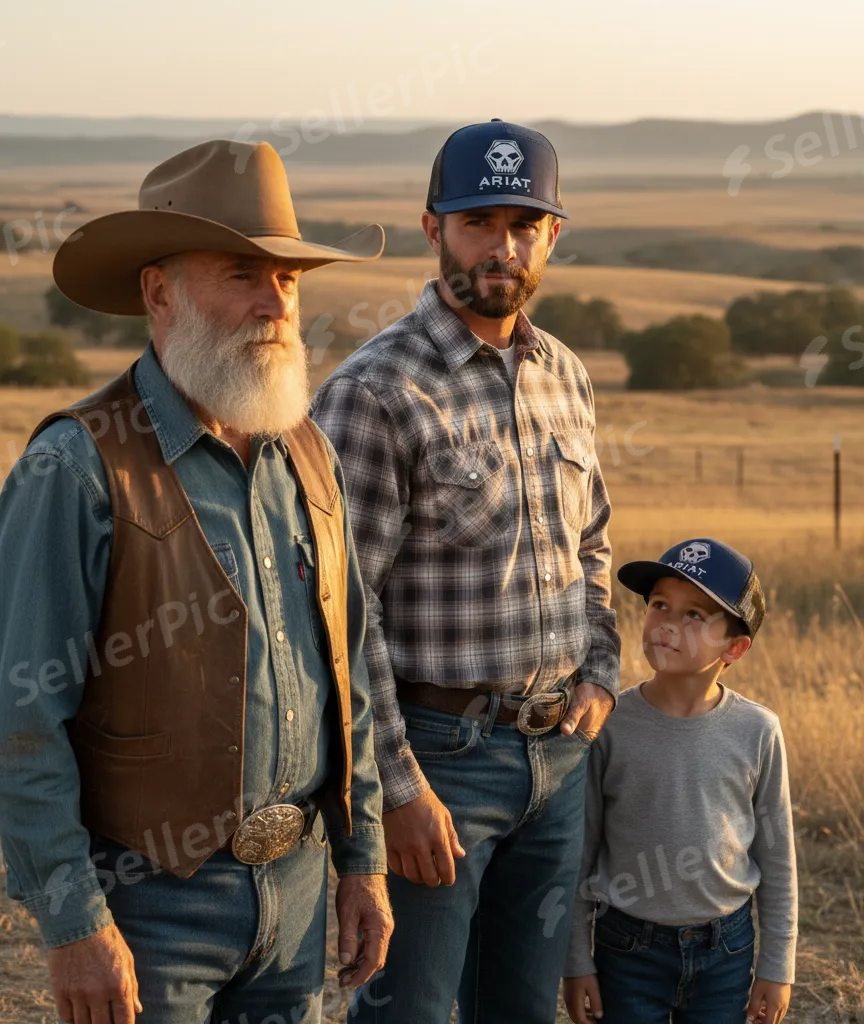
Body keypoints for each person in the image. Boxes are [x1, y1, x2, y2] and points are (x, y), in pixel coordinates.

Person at [0, 140, 394, 1024]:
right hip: (147, 910)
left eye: (288, 280)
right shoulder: (76, 467)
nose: (274, 302)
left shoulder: (308, 452)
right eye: (243, 274)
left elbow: (350, 674)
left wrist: (361, 858)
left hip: (296, 900)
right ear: (158, 292)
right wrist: (73, 927)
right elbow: (20, 717)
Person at [311, 119, 621, 1024]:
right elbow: (339, 609)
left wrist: (600, 671)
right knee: (409, 1011)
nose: (504, 246)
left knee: (521, 1011)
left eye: (525, 224)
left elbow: (592, 542)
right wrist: (397, 791)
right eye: (479, 222)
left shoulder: (564, 372)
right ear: (431, 228)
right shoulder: (373, 391)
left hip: (557, 755)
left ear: (552, 235)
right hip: (442, 760)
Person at [564, 538, 797, 1024]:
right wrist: (576, 962)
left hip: (725, 950)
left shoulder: (757, 731)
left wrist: (777, 968)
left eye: (695, 614)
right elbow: (581, 852)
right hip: (626, 949)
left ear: (735, 647)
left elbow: (777, 861)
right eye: (659, 604)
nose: (667, 621)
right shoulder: (611, 722)